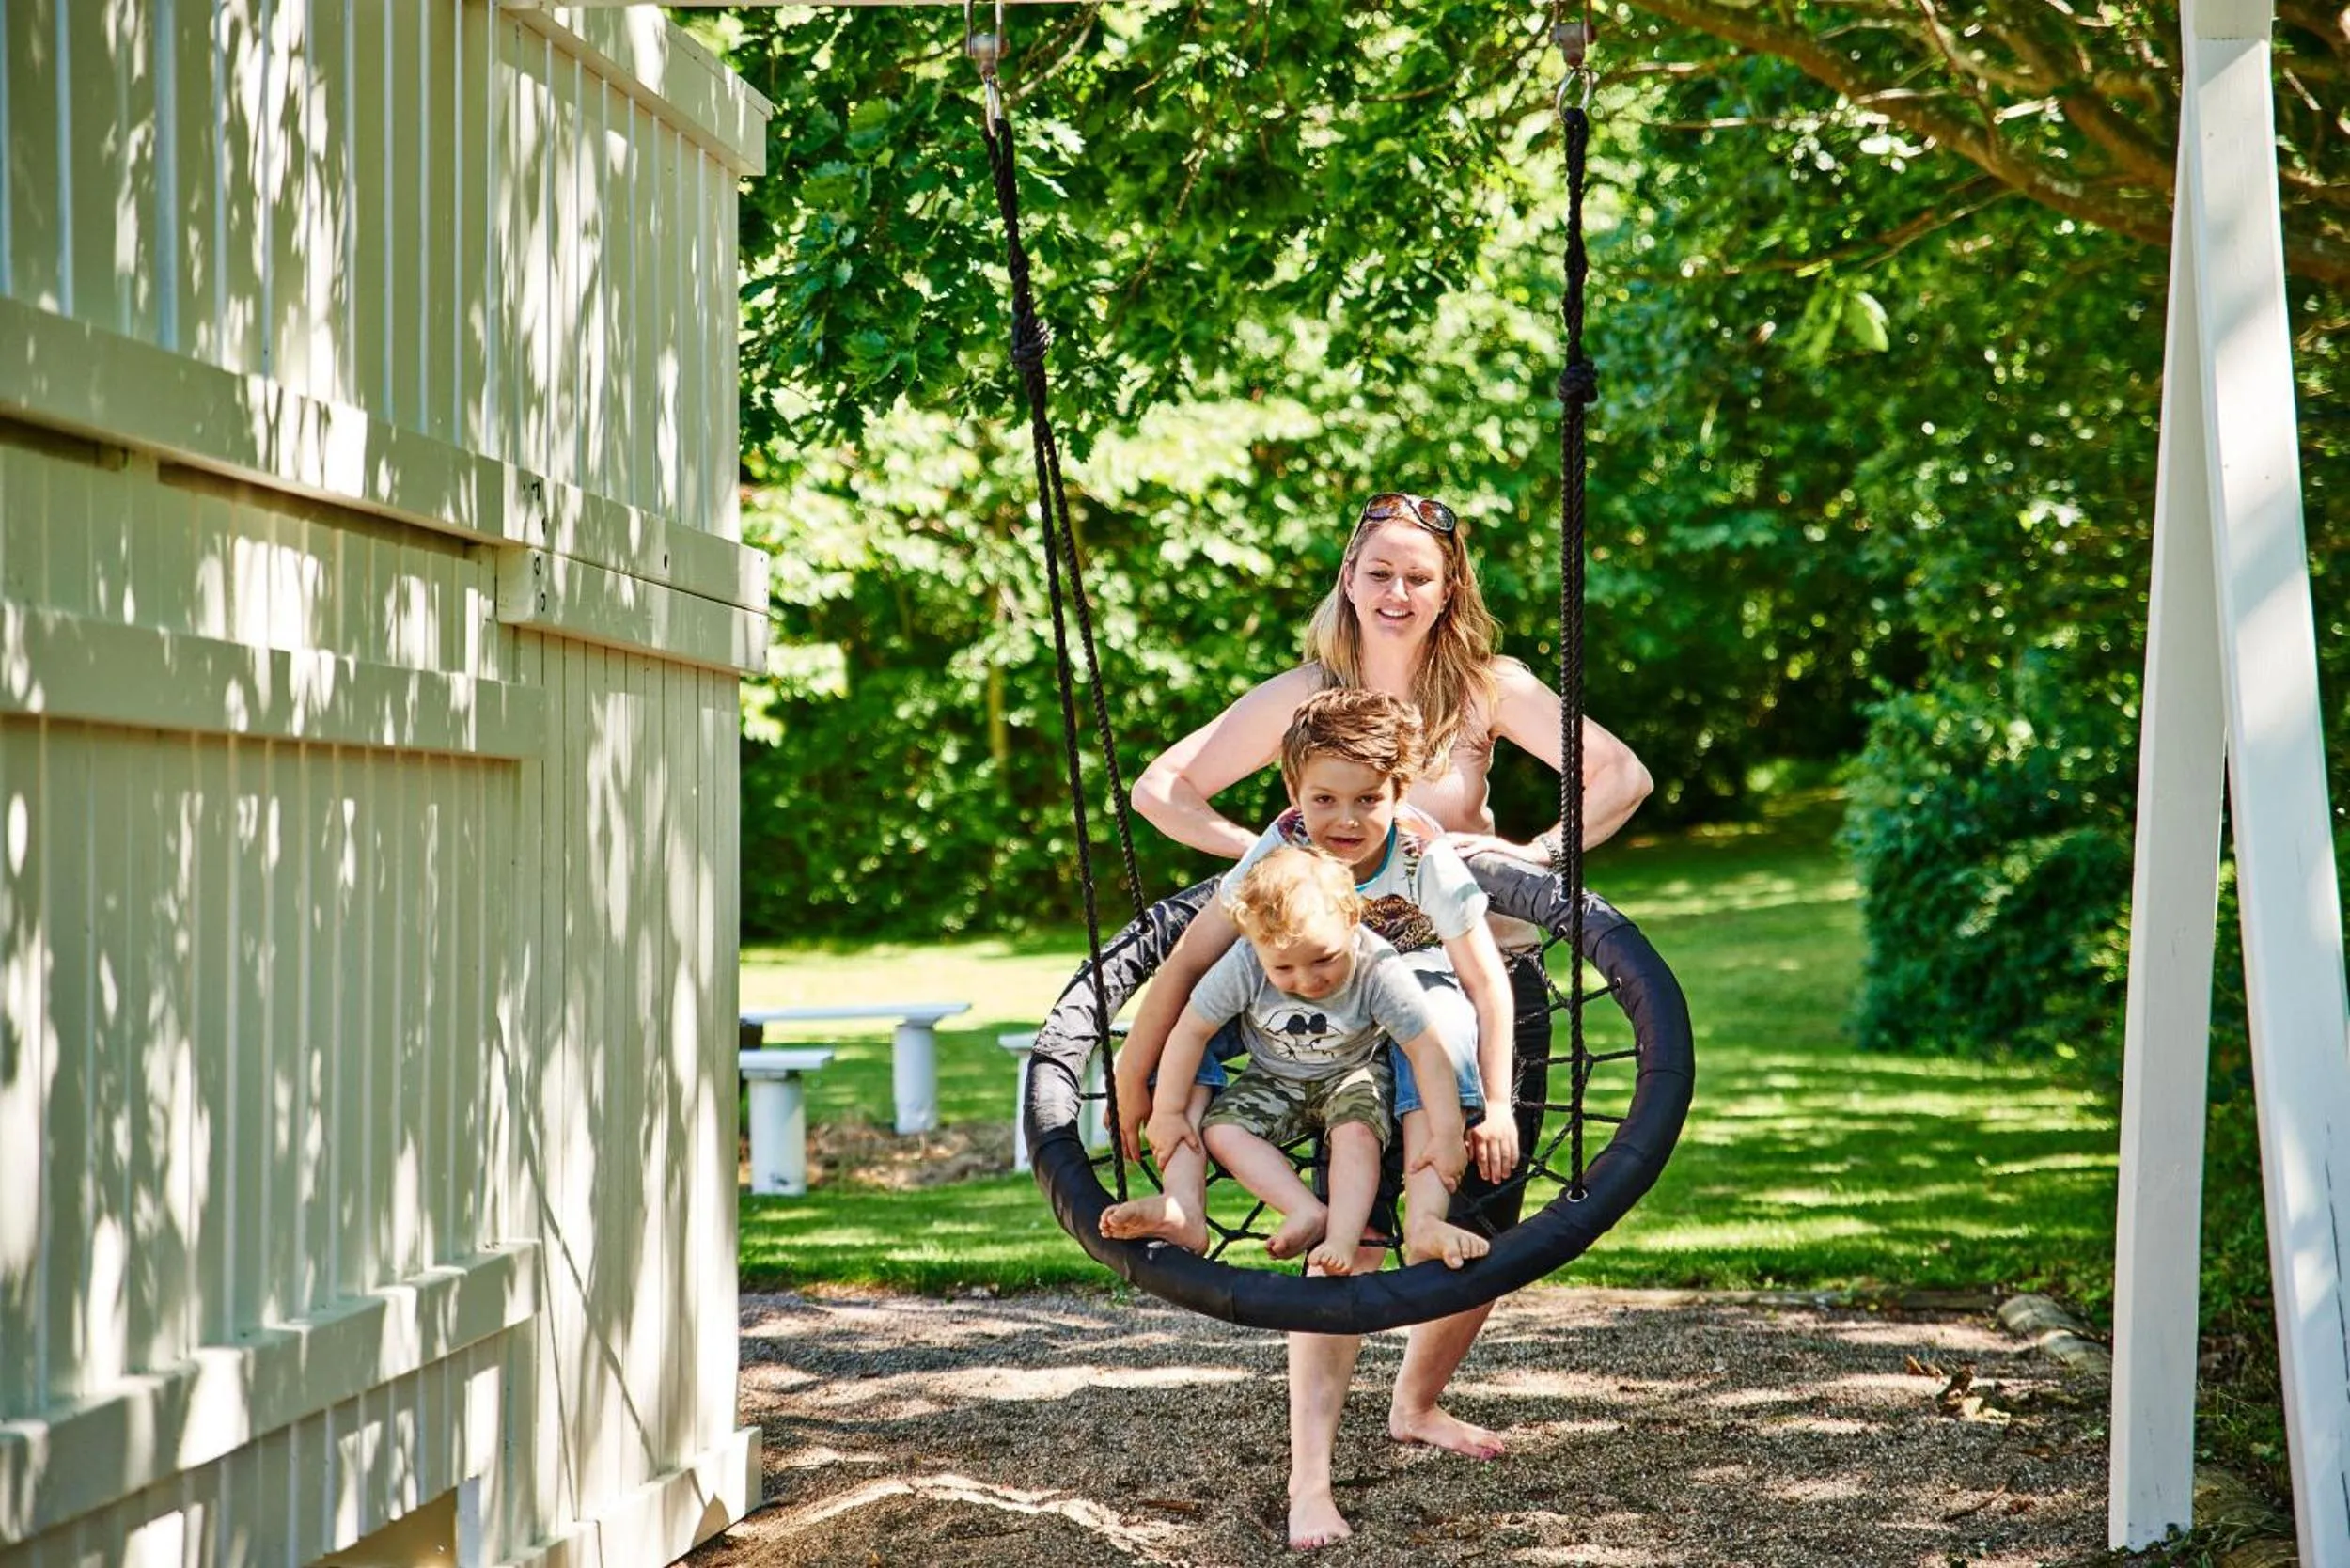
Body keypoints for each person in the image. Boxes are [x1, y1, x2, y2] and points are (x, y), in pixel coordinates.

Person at [1126, 489, 1653, 1551]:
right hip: (1328, 997)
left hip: (1474, 980)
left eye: (1421, 574)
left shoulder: (1485, 689)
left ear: (1449, 584)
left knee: (1488, 1217)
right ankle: (1308, 1481)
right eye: (1380, 572)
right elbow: (1161, 788)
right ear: (1350, 581)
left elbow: (1620, 774)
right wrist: (1274, 863)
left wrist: (1522, 862)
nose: (1399, 591)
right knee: (1350, 1232)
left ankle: (1416, 1405)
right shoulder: (1306, 697)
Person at [1101, 687, 1510, 1271]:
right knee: (1195, 1024)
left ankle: (1425, 1218)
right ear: (1295, 795)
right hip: (1294, 978)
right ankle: (1182, 1203)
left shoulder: (1426, 859)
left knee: (1439, 1019)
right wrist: (1131, 1074)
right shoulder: (1282, 846)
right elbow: (1190, 963)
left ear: (1399, 792)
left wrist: (1496, 1104)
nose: (1345, 819)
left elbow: (1485, 984)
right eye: (1324, 799)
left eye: (1368, 799)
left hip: (1402, 978)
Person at [1144, 845, 1470, 1275]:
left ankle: (1341, 1237)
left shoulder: (1379, 968)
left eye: (1324, 959)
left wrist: (1447, 1134)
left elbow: (1426, 1050)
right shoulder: (1245, 962)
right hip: (1274, 1076)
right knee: (1221, 1131)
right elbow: (1191, 1031)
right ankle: (1303, 1210)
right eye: (1284, 970)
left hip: (1353, 1072)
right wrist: (1168, 1112)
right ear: (1253, 944)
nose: (1307, 980)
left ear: (1352, 920)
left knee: (1357, 1134)